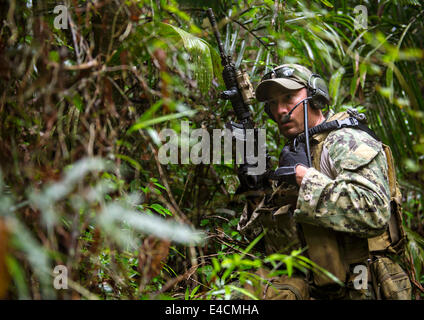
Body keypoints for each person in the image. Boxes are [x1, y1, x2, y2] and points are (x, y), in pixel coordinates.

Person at [236, 64, 412, 300]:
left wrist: (306, 180)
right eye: (273, 104)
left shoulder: (345, 140)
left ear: (315, 98)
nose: (280, 110)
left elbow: (373, 211)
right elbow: (263, 244)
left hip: (363, 285)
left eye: (289, 98)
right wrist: (255, 192)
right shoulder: (298, 151)